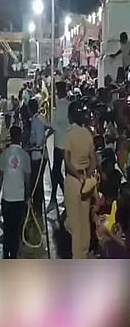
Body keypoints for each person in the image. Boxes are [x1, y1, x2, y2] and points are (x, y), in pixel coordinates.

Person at [63, 100, 97, 259]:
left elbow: (67, 161)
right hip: (87, 181)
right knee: (85, 221)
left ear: (71, 116)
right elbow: (94, 160)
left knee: (75, 224)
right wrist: (87, 176)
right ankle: (84, 253)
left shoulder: (69, 135)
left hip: (73, 181)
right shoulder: (88, 134)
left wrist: (78, 176)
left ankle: (77, 258)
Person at [0, 125, 31, 259]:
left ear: (11, 136)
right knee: (16, 231)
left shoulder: (4, 154)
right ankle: (13, 256)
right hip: (19, 199)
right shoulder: (25, 156)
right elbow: (27, 181)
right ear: (20, 137)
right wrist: (28, 198)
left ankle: (6, 254)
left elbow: (0, 178)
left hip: (7, 198)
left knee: (7, 229)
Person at [48, 80, 70, 212]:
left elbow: (55, 125)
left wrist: (47, 129)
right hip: (67, 143)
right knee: (63, 172)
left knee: (55, 171)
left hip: (59, 144)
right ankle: (59, 198)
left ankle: (55, 199)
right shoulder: (68, 105)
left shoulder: (61, 106)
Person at [27, 98, 50, 217]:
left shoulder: (37, 122)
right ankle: (36, 207)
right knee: (36, 181)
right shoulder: (38, 119)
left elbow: (39, 141)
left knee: (37, 182)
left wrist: (30, 145)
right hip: (38, 156)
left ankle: (38, 208)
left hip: (38, 157)